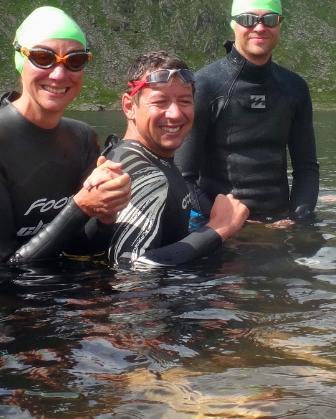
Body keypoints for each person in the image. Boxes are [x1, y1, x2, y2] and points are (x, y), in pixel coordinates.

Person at [0, 7, 130, 265]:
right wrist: (82, 207)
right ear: (20, 60)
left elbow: (80, 247)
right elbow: (0, 268)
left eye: (74, 60)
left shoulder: (84, 138)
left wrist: (105, 214)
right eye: (43, 58)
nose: (59, 74)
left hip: (62, 294)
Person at [175, 0, 319, 222]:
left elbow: (307, 170)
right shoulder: (206, 86)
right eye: (248, 19)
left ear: (280, 24)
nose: (260, 27)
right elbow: (183, 176)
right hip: (218, 224)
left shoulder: (295, 88)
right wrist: (223, 220)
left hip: (280, 224)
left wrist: (297, 220)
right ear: (234, 24)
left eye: (270, 19)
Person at [104, 51, 248, 266]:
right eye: (160, 101)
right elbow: (132, 267)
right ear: (129, 107)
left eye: (184, 101)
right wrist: (219, 228)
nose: (175, 114)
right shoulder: (141, 173)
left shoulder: (150, 160)